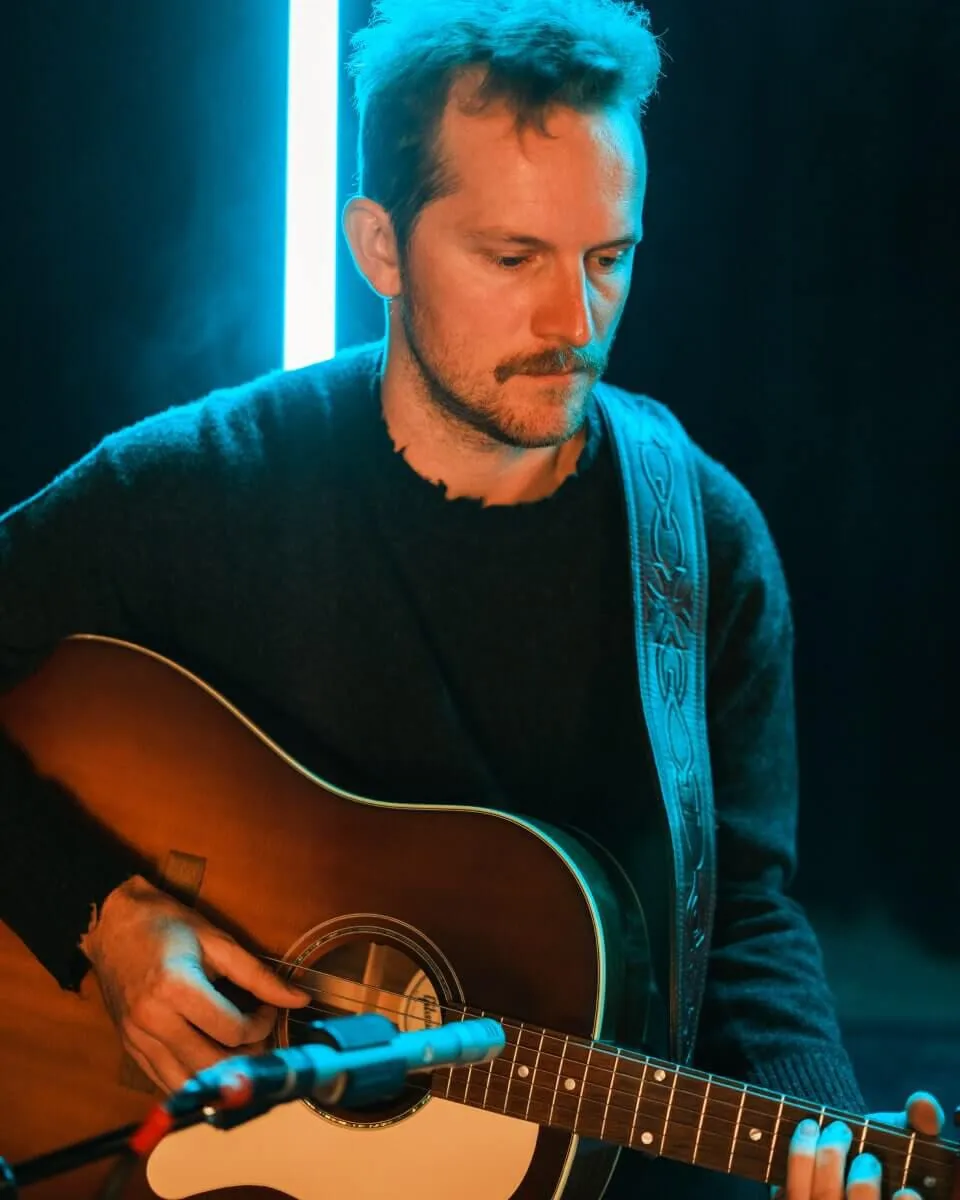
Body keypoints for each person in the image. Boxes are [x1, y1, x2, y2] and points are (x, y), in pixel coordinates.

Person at [0, 0, 944, 1197]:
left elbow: (744, 915)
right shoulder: (202, 484)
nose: (576, 323)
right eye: (514, 260)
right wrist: (100, 912)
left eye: (611, 258)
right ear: (379, 248)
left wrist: (820, 1132)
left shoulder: (701, 538)